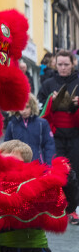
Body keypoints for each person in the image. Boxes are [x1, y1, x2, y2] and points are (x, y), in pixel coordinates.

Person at [39, 49, 79, 224]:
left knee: (75, 172)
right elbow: (39, 106)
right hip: (55, 135)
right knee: (56, 172)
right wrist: (50, 100)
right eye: (60, 64)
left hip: (76, 134)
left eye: (66, 64)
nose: (63, 68)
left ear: (73, 64)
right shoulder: (48, 83)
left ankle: (73, 208)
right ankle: (58, 206)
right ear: (55, 64)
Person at [5, 94, 55, 164]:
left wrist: (49, 164)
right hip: (19, 165)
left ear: (32, 106)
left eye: (27, 107)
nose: (24, 111)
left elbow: (49, 145)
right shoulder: (12, 125)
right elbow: (6, 147)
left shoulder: (42, 123)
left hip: (39, 163)